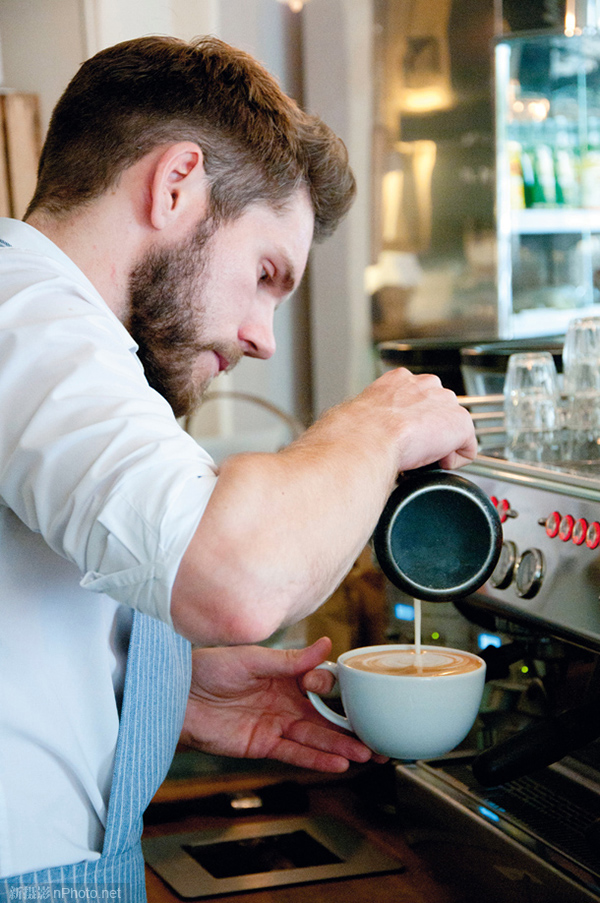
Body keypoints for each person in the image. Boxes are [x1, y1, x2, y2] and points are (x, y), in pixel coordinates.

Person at [0, 34, 477, 901]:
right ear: (176, 182)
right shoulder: (30, 320)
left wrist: (166, 691)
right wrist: (376, 426)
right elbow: (239, 580)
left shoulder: (55, 336)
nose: (261, 335)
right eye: (265, 274)